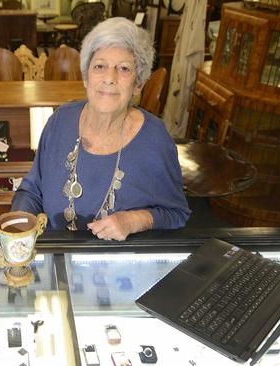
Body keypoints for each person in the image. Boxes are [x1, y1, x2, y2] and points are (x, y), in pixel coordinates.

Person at [11, 17, 191, 241]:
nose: (109, 78)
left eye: (124, 68)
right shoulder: (60, 121)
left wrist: (133, 220)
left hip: (119, 268)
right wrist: (15, 231)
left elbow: (177, 214)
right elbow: (31, 190)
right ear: (86, 76)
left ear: (138, 84)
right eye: (100, 66)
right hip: (56, 259)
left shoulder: (155, 140)